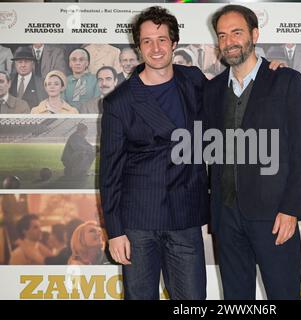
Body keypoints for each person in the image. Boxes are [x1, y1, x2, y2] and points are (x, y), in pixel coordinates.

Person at [204, 5, 301, 300]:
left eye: (237, 32)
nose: (229, 41)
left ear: (254, 34)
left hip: (275, 216)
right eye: (223, 35)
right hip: (226, 218)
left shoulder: (286, 81)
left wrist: (292, 208)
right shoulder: (211, 90)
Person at [100, 6, 210, 300]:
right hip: (139, 224)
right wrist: (115, 231)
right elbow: (109, 172)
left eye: (162, 39)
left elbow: (230, 95)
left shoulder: (194, 80)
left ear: (174, 43)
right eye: (147, 41)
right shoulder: (119, 102)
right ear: (138, 47)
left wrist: (264, 72)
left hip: (185, 218)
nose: (156, 48)